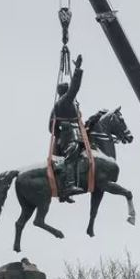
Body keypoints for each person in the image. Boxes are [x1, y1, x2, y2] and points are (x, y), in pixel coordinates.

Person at [48, 54, 85, 202]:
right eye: (69, 90)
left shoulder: (57, 106)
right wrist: (77, 69)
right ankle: (69, 185)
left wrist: (59, 132)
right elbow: (75, 86)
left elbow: (50, 126)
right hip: (70, 137)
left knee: (76, 158)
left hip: (67, 137)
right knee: (72, 158)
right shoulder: (65, 100)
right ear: (66, 91)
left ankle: (65, 189)